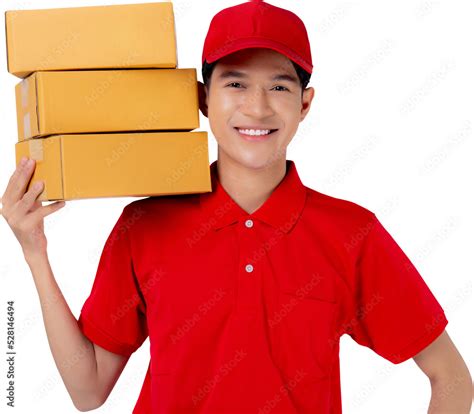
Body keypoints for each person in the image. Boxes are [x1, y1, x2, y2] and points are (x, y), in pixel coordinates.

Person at [1, 1, 471, 413]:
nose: (258, 108)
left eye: (280, 87)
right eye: (236, 84)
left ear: (305, 104)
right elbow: (87, 391)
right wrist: (34, 251)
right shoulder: (144, 224)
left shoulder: (351, 233)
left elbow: (451, 378)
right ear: (204, 98)